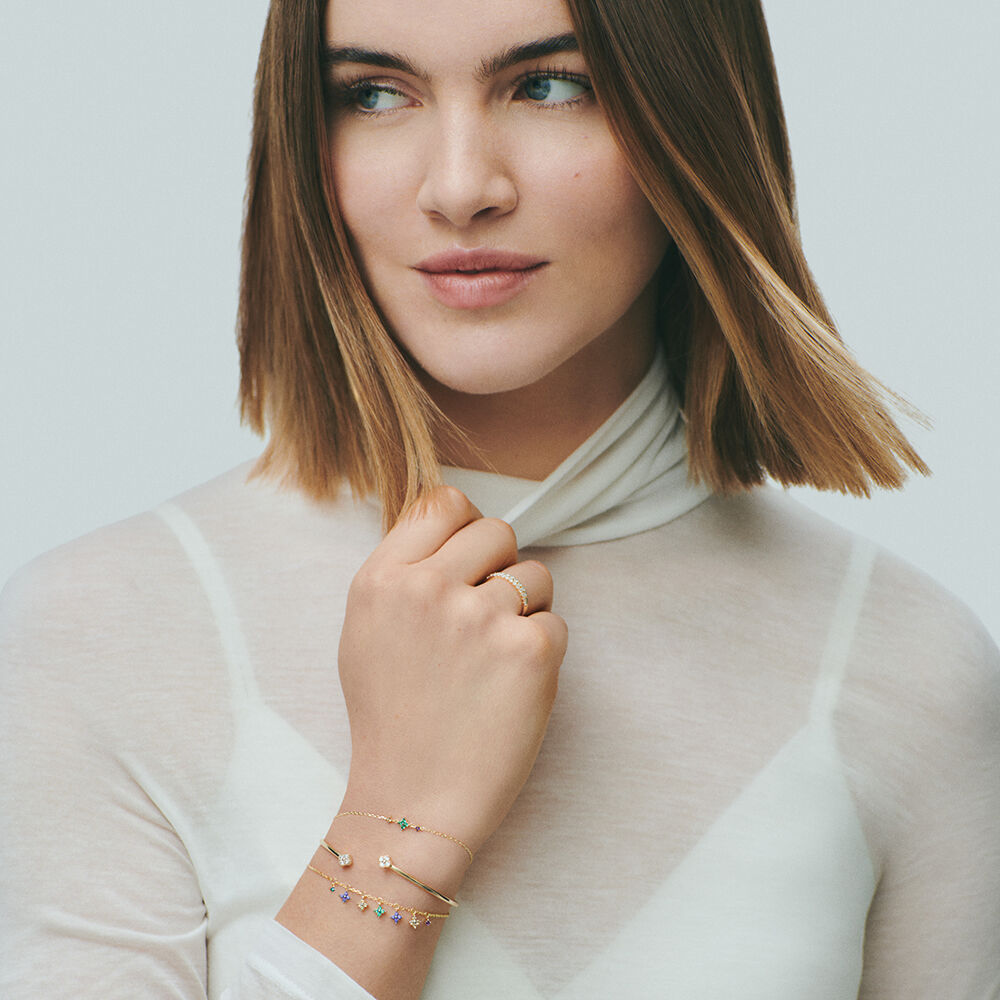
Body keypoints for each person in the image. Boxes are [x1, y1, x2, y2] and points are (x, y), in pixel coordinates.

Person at [1, 0, 998, 998]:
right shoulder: (106, 629)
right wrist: (397, 826)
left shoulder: (908, 666)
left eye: (550, 84)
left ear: (693, 113)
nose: (461, 187)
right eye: (373, 94)